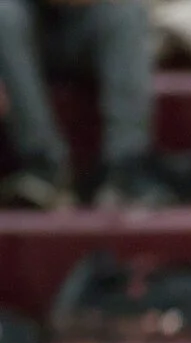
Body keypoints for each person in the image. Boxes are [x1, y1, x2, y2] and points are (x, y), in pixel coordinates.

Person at [0, 0, 172, 207]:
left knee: (128, 12)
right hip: (17, 35)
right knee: (3, 14)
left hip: (85, 27)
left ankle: (126, 168)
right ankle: (43, 166)